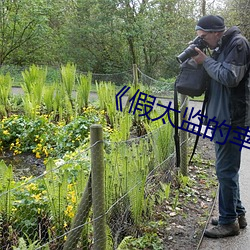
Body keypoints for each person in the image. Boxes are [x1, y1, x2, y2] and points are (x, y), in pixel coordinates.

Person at [192, 15, 250, 238]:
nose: (203, 41)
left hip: (232, 118)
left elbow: (229, 77)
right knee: (227, 170)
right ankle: (237, 214)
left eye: (204, 37)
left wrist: (205, 61)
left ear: (216, 32)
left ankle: (228, 223)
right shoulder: (221, 46)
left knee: (225, 170)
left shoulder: (238, 44)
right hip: (222, 116)